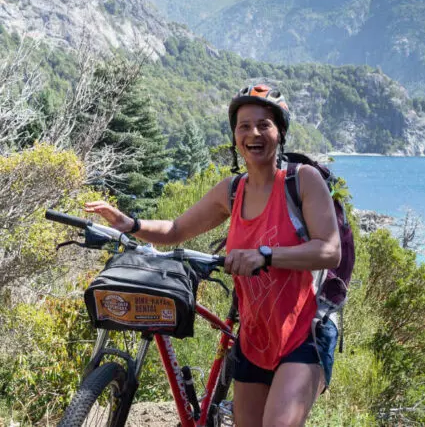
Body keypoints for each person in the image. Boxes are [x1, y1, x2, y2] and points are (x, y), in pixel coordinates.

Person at [84, 84, 342, 427]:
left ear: (280, 133)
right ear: (235, 136)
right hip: (254, 339)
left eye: (264, 124)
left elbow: (329, 250)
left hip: (302, 335)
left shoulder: (302, 181)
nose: (254, 133)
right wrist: (130, 223)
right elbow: (176, 229)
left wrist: (265, 255)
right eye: (244, 125)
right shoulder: (232, 191)